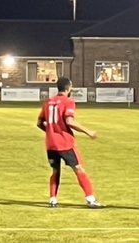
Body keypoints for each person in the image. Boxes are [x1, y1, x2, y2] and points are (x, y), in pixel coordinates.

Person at [38, 76, 102, 208]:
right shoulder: (68, 102)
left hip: (51, 144)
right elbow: (69, 121)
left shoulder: (48, 102)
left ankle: (53, 200)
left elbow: (39, 123)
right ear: (68, 88)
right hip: (64, 143)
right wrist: (88, 131)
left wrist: (50, 132)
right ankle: (90, 199)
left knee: (55, 171)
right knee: (78, 168)